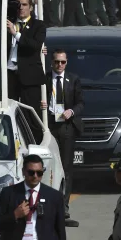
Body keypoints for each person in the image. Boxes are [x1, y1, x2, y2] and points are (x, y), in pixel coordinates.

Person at [44, 50, 84, 228]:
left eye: (63, 62)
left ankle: (64, 206)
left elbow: (81, 103)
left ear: (67, 62)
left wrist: (72, 111)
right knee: (49, 165)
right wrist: (42, 103)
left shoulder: (73, 79)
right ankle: (48, 204)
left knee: (66, 167)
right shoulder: (44, 79)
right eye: (56, 62)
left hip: (67, 126)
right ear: (51, 62)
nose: (59, 65)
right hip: (50, 125)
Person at [6, 0, 47, 143]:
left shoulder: (38, 25)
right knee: (9, 109)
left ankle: (34, 143)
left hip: (29, 75)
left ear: (30, 7)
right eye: (18, 5)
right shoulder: (7, 23)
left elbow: (35, 45)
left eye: (24, 5)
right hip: (9, 73)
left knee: (31, 112)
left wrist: (16, 34)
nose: (21, 8)